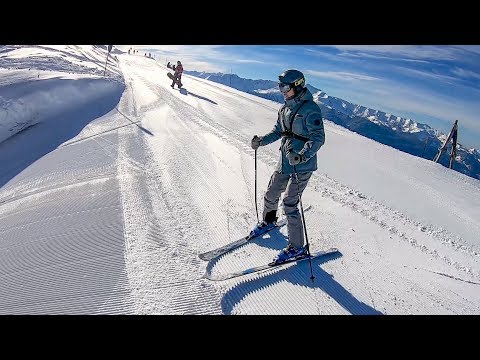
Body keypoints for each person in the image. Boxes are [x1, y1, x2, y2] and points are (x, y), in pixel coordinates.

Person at [250, 69, 325, 264]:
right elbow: (278, 131)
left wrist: (302, 156)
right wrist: (262, 141)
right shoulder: (284, 109)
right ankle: (269, 220)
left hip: (302, 165)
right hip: (285, 160)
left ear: (297, 85)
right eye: (280, 86)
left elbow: (318, 138)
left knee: (290, 203)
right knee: (271, 192)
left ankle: (297, 248)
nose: (281, 90)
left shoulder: (311, 109)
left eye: (285, 86)